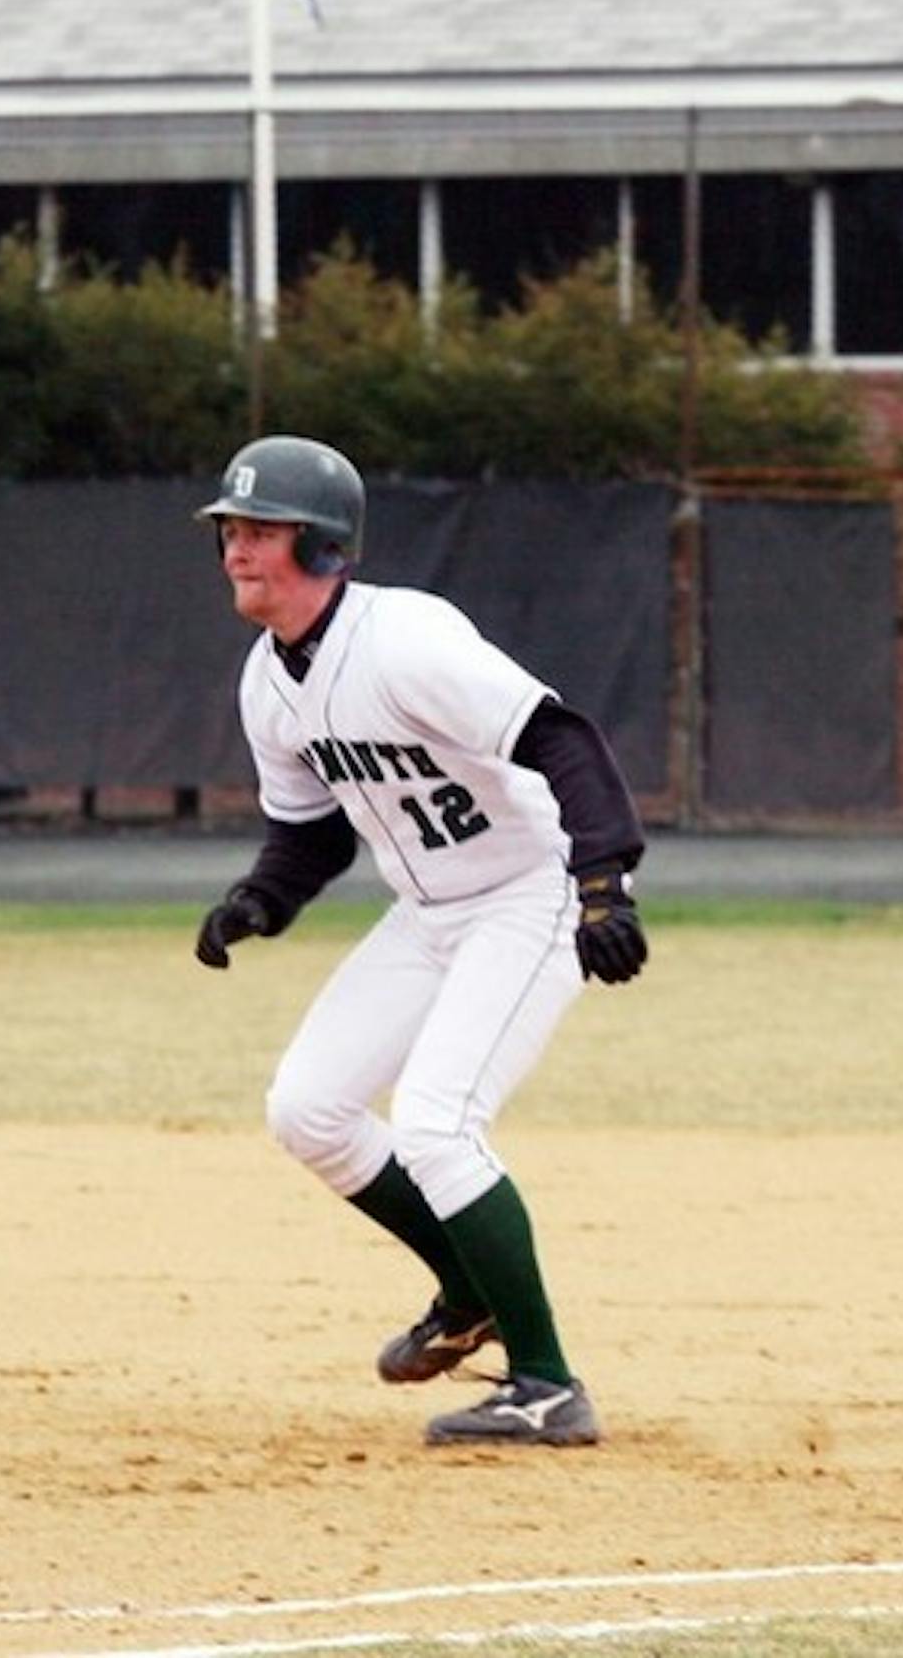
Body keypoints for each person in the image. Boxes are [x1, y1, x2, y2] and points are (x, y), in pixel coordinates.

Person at [192, 434, 648, 1448]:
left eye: (261, 531)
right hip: (429, 909)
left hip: (527, 892)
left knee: (439, 1120)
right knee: (307, 1107)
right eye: (230, 529)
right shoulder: (267, 681)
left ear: (322, 548)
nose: (236, 548)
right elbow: (309, 830)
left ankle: (545, 1384)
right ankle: (465, 1287)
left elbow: (558, 737)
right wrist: (258, 900)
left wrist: (602, 884)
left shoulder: (404, 639)